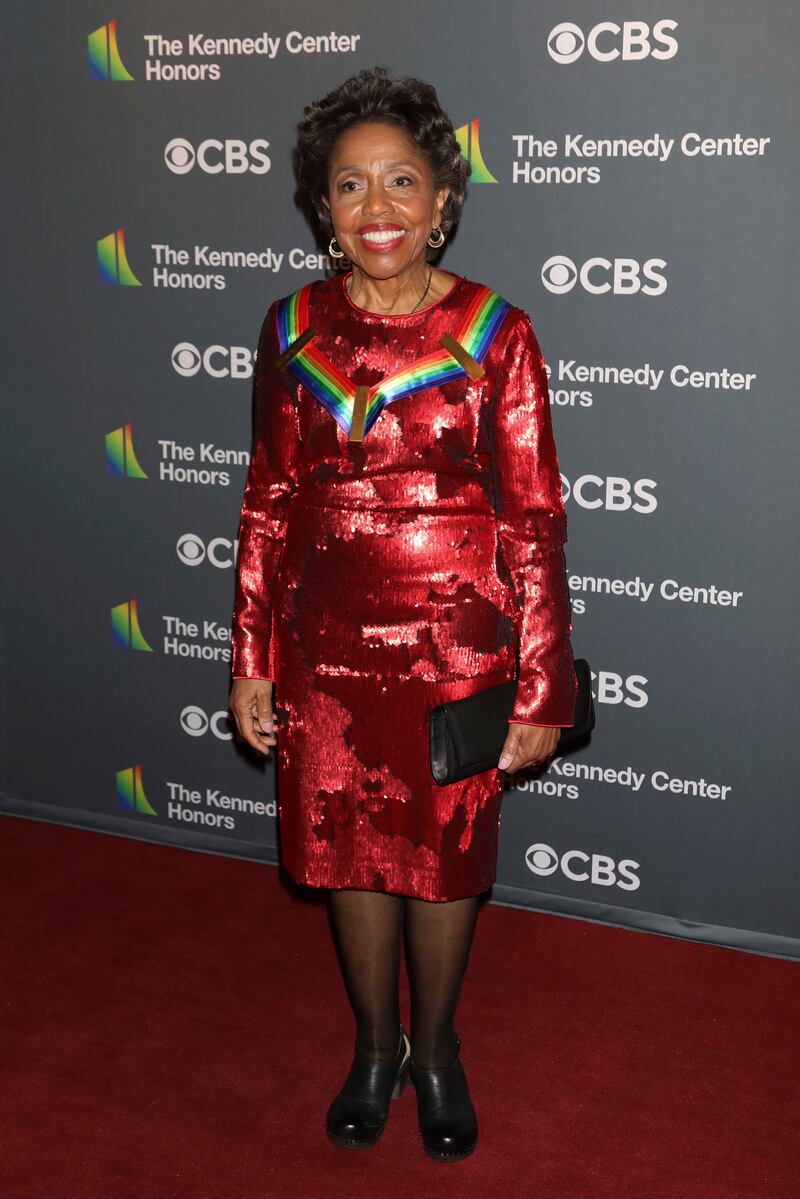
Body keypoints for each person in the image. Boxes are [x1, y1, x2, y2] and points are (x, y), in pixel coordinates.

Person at [228, 66, 577, 1162]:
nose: (375, 207)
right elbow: (268, 501)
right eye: (347, 186)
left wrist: (540, 681)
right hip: (324, 651)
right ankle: (371, 1048)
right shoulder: (288, 327)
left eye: (399, 182)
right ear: (321, 209)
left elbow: (533, 519)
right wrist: (251, 656)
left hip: (452, 648)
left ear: (440, 200)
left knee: (440, 862)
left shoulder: (495, 332)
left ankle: (436, 1052)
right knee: (342, 855)